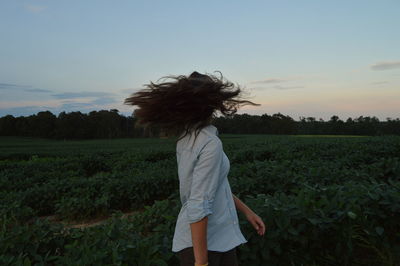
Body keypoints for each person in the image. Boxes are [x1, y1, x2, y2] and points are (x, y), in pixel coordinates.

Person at [124, 71, 266, 266]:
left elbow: (212, 185)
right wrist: (201, 262)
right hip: (203, 245)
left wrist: (247, 211)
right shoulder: (209, 143)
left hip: (219, 238)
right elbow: (198, 203)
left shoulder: (187, 138)